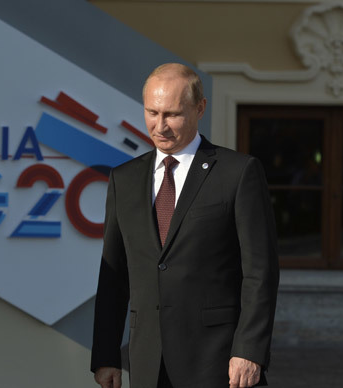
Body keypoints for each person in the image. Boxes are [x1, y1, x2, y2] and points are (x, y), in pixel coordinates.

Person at [91, 63, 279, 388]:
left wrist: (250, 350)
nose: (160, 126)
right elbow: (114, 275)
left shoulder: (238, 173)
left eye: (173, 114)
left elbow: (260, 272)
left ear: (199, 108)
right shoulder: (124, 179)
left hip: (218, 363)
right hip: (148, 363)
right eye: (152, 112)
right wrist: (106, 355)